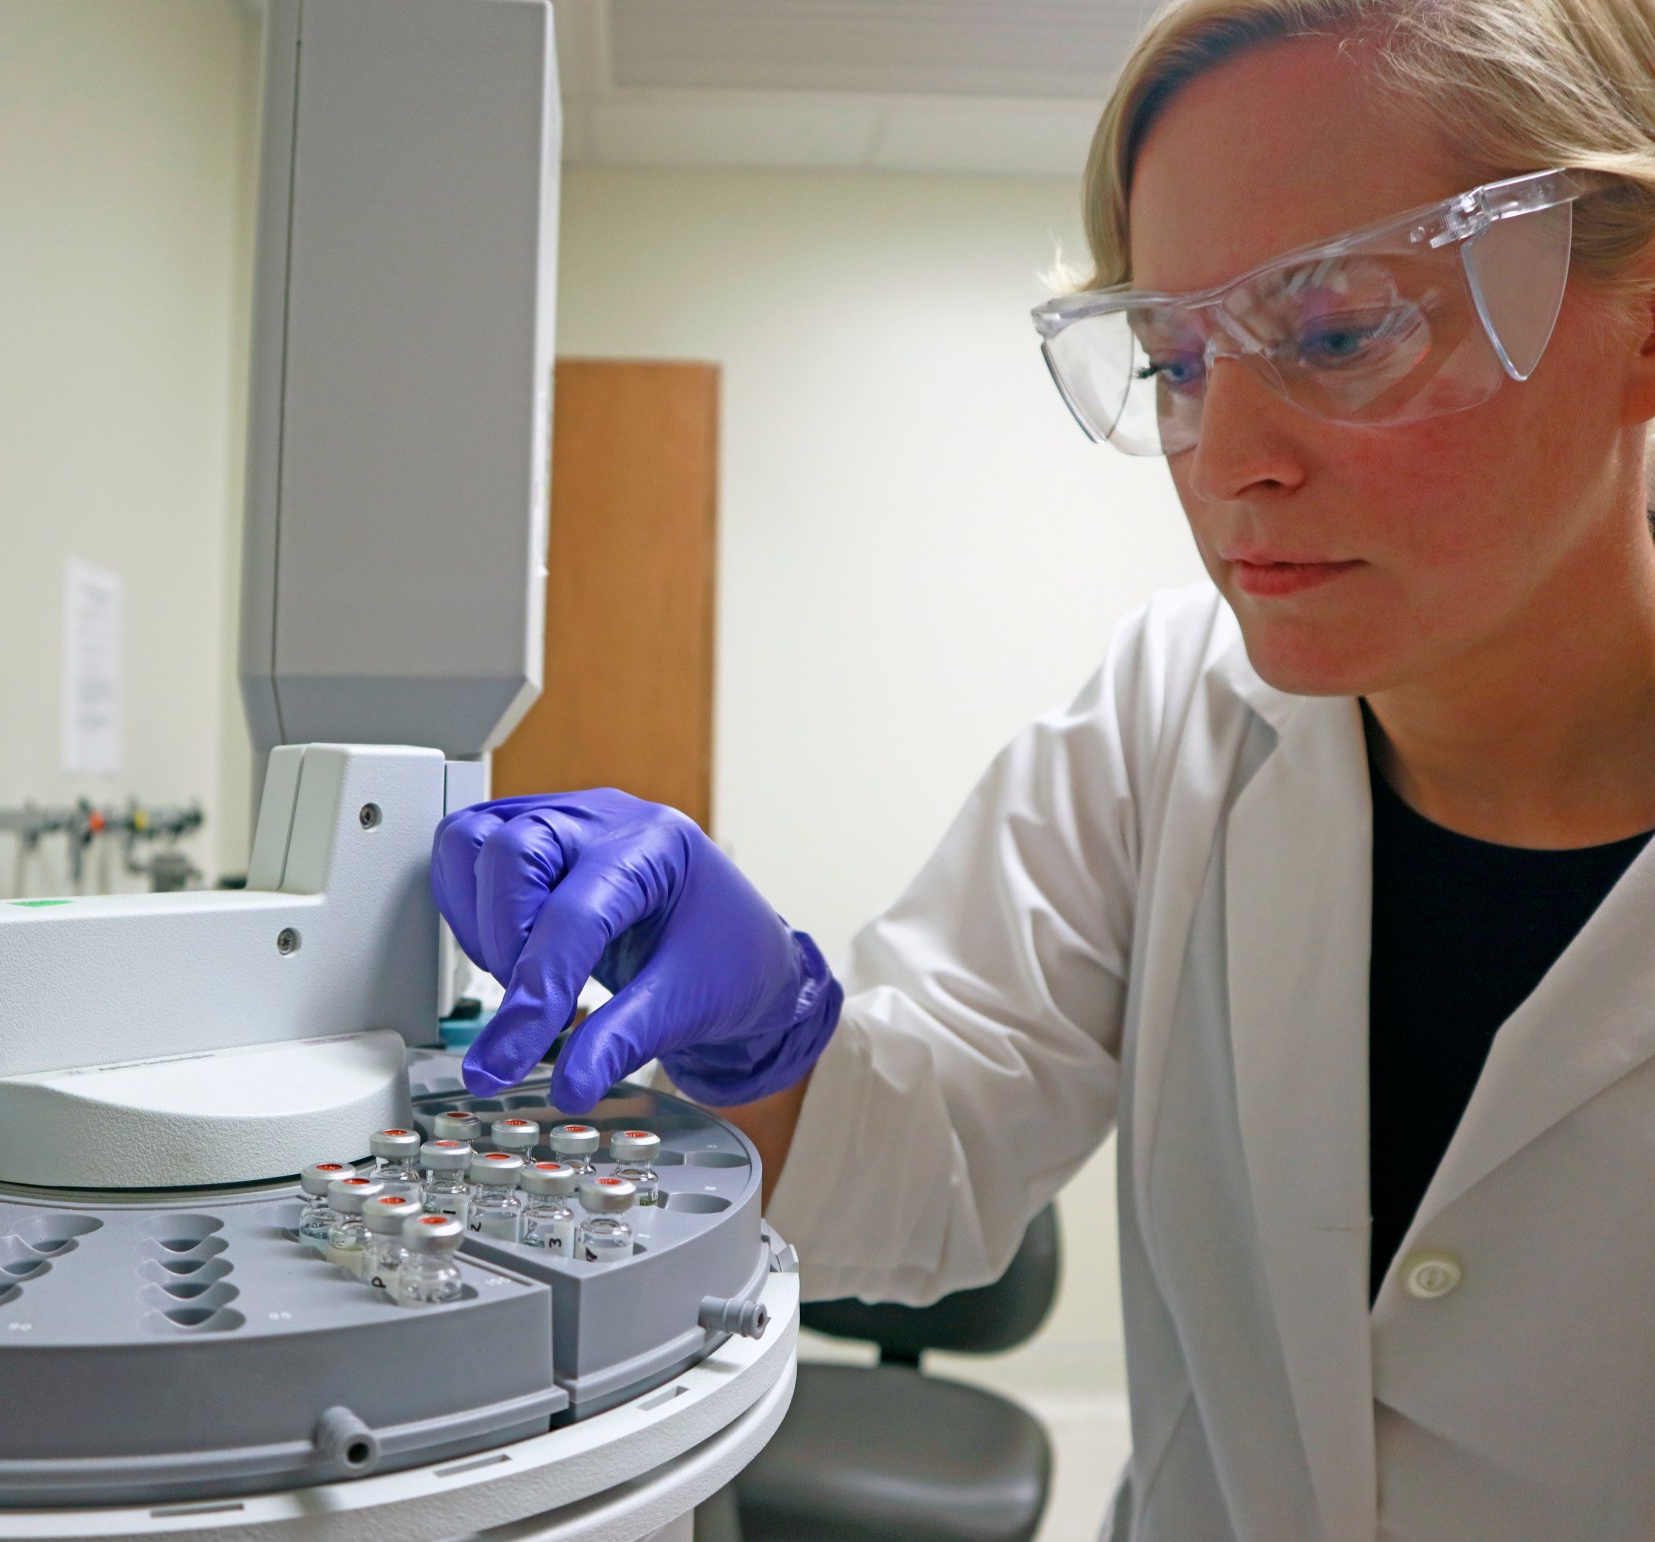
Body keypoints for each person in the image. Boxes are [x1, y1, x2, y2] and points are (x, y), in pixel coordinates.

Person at [432, 2, 1655, 1536]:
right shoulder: (1171, 715)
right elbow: (927, 1166)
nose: (1229, 458)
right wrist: (770, 1040)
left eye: (1343, 330)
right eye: (1178, 361)